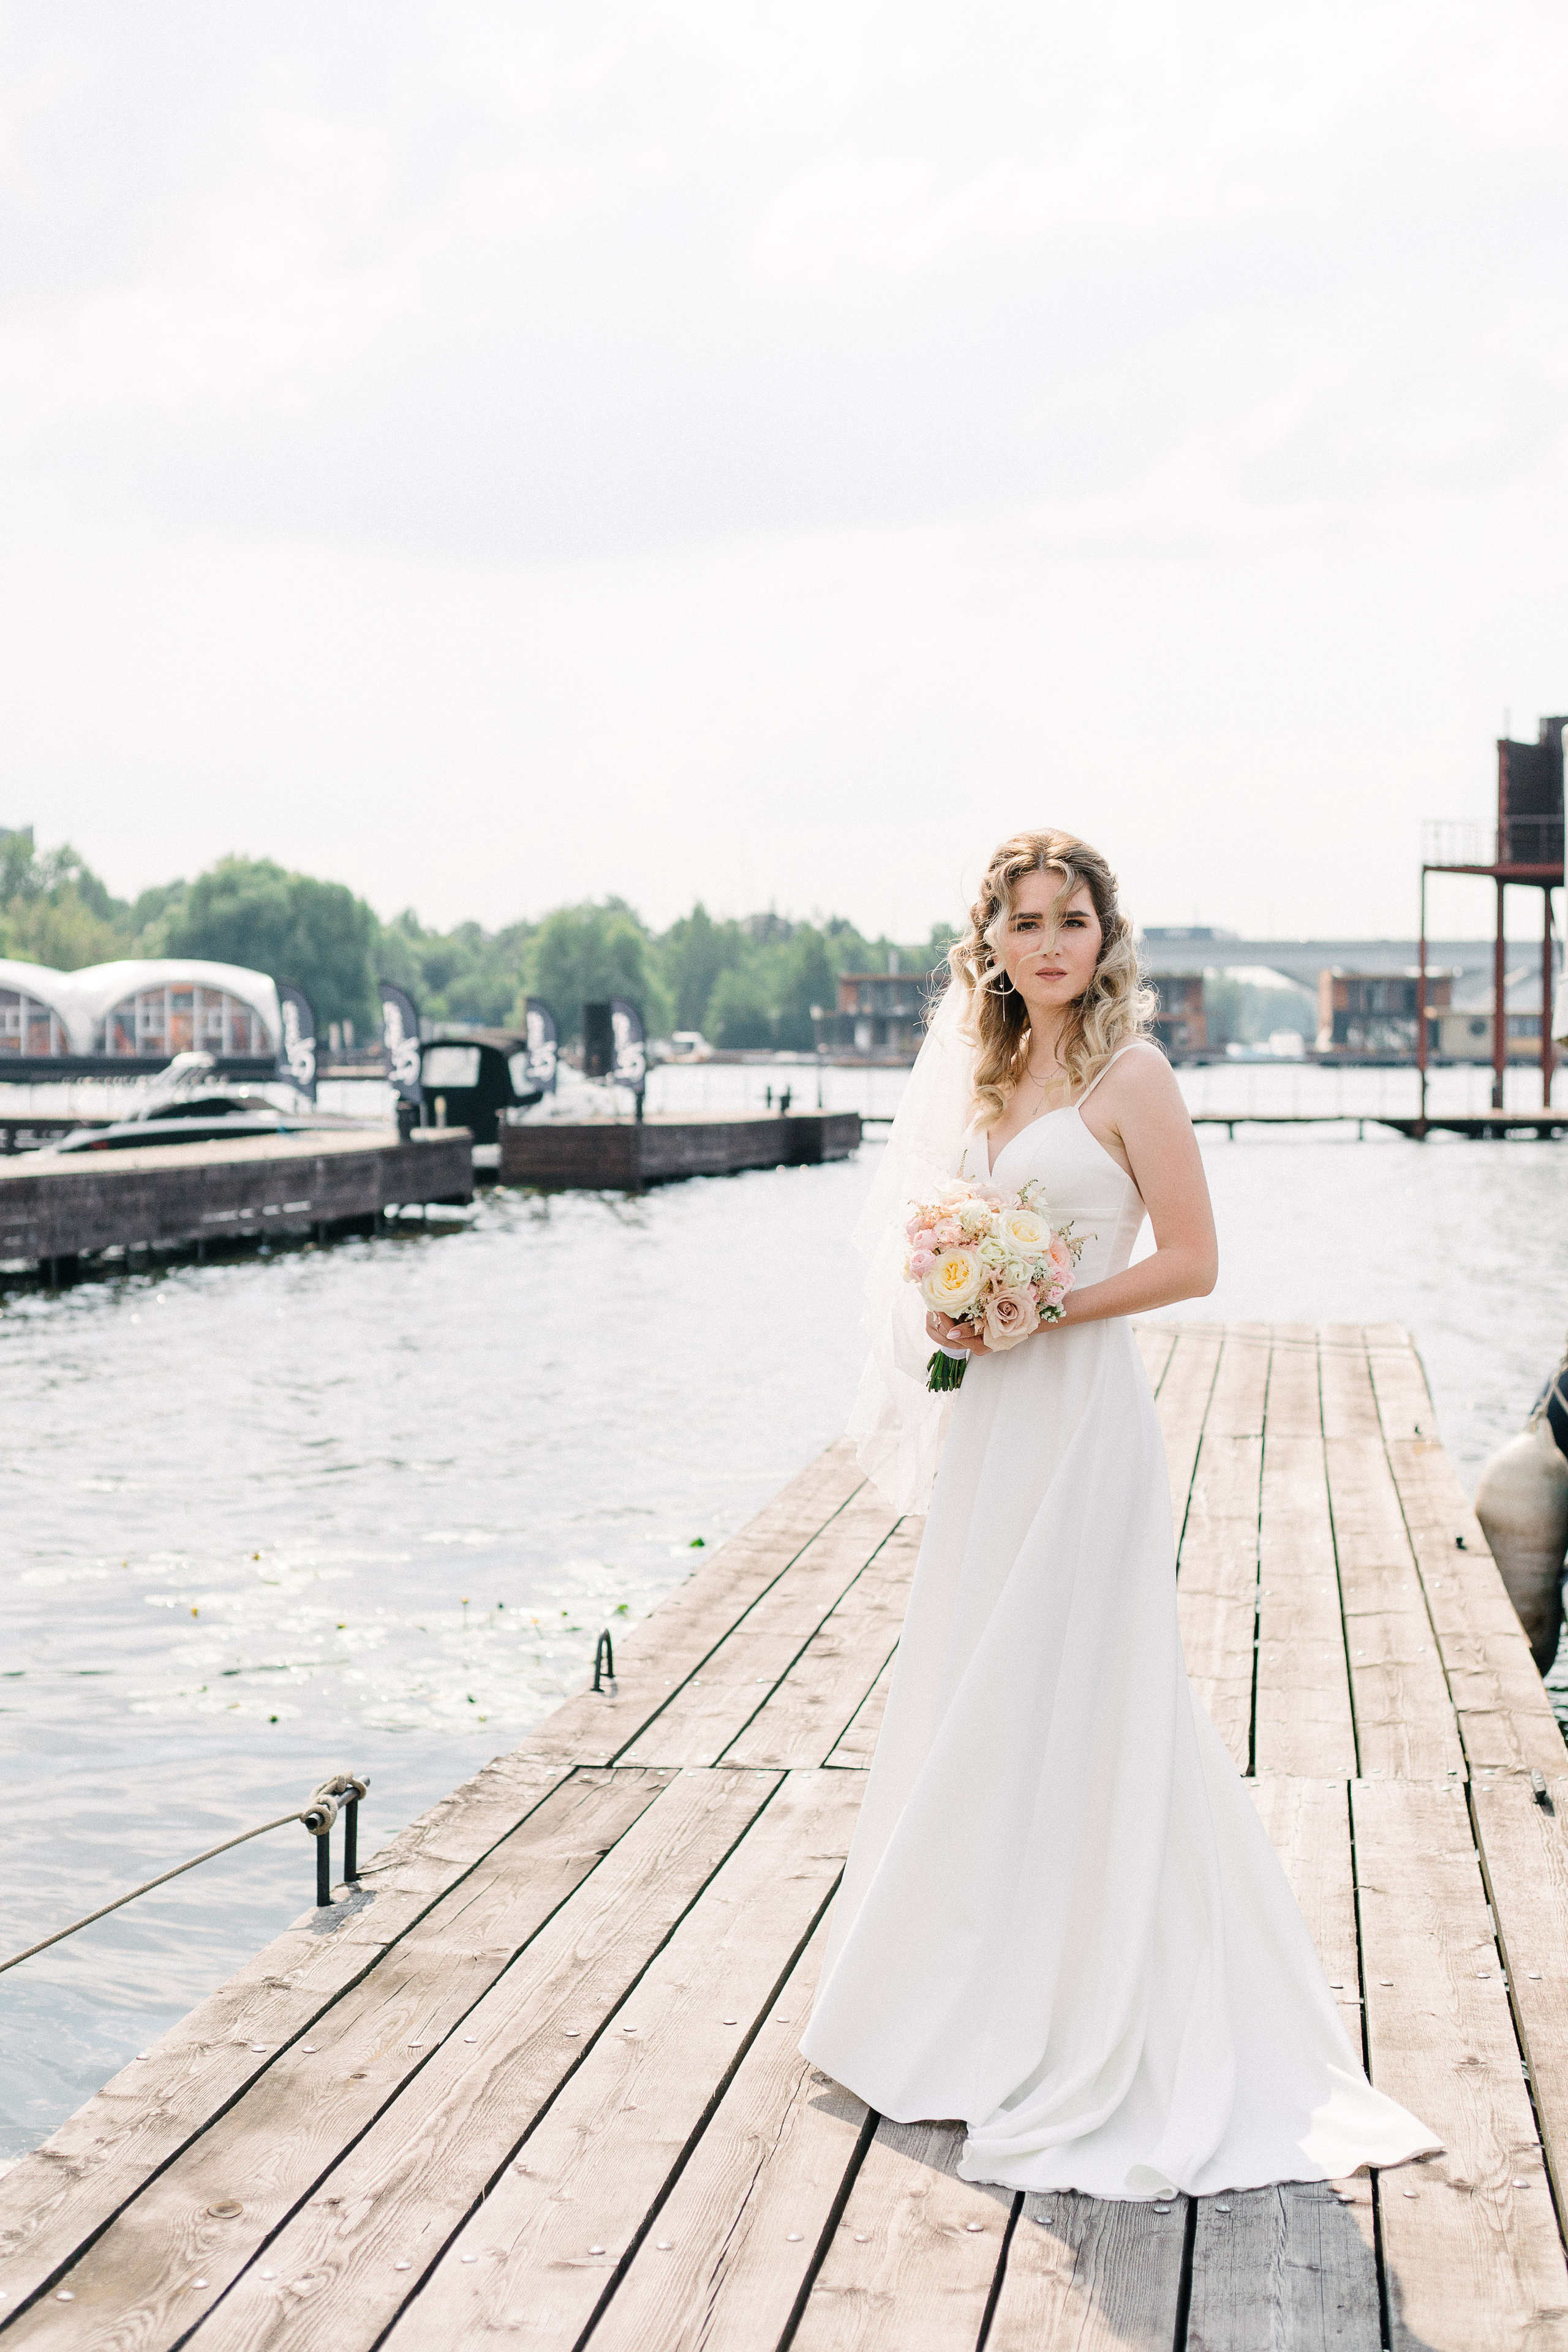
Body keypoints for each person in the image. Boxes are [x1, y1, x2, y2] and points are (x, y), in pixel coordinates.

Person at [799, 828, 1439, 2199]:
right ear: (993, 943)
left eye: (1069, 920)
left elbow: (1195, 1261)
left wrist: (1043, 1301)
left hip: (1082, 1413)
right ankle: (955, 1992)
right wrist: (960, 1293)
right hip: (995, 1419)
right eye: (1022, 922)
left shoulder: (1129, 1074)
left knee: (1081, 1682)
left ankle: (1093, 2013)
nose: (1046, 944)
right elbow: (939, 1233)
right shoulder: (982, 1074)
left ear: (1104, 936)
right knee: (980, 1677)